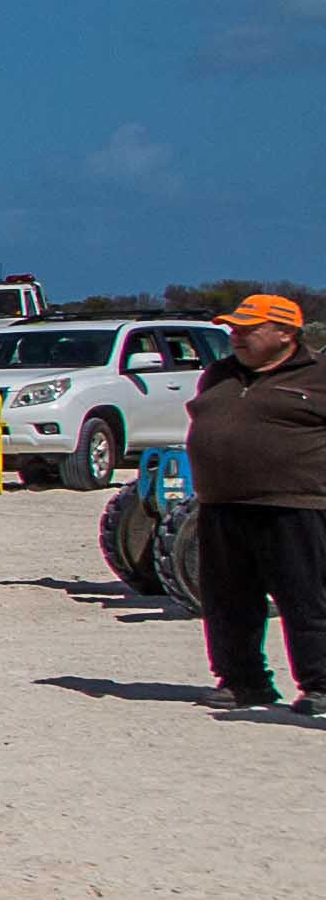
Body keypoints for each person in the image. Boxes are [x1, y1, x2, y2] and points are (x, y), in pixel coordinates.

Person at [188, 292, 326, 712]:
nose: (237, 337)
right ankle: (243, 681)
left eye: (249, 329)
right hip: (221, 504)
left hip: (296, 505)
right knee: (228, 601)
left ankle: (320, 685)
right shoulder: (218, 374)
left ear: (286, 333)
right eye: (234, 329)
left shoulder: (318, 376)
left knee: (306, 599)